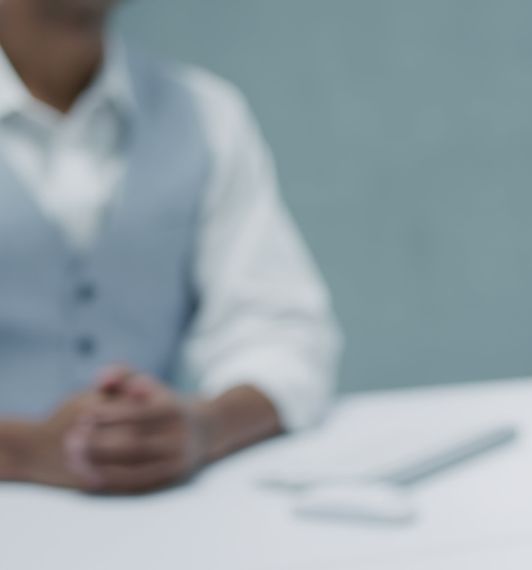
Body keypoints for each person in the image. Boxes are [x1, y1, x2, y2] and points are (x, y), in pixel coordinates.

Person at [0, 0, 341, 494]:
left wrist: (205, 426)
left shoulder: (207, 113)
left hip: (162, 523)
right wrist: (25, 450)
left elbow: (281, 329)